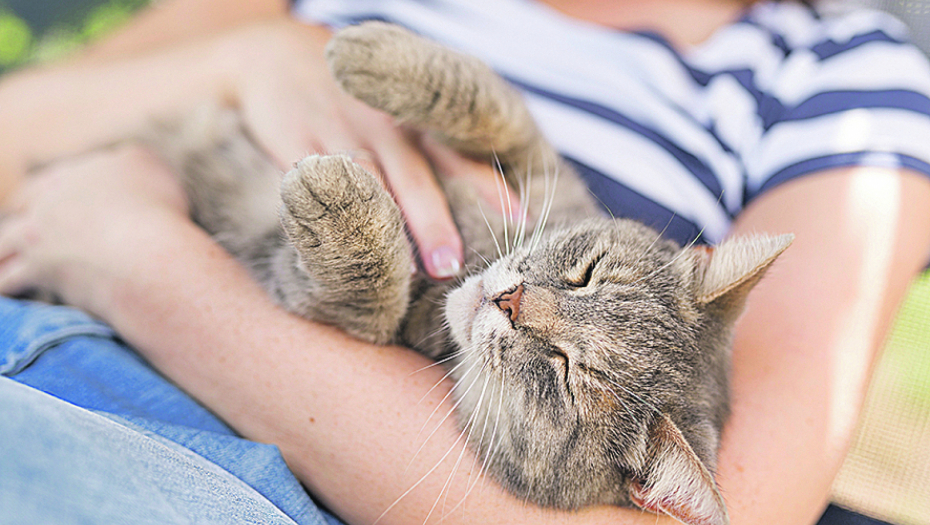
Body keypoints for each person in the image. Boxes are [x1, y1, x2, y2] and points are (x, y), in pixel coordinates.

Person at [1, 0, 929, 524]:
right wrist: (248, 55)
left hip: (213, 469)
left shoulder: (839, 82)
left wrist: (141, 265)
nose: (526, 301)